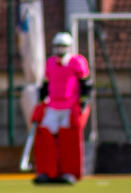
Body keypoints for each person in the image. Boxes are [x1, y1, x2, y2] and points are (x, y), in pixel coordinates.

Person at [32, 32, 91, 184]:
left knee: (67, 139)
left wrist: (83, 101)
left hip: (69, 106)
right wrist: (40, 100)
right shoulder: (50, 62)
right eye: (58, 47)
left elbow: (85, 84)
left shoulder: (77, 62)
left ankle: (68, 172)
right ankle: (47, 171)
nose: (60, 50)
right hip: (53, 106)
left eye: (63, 47)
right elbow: (45, 84)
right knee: (45, 135)